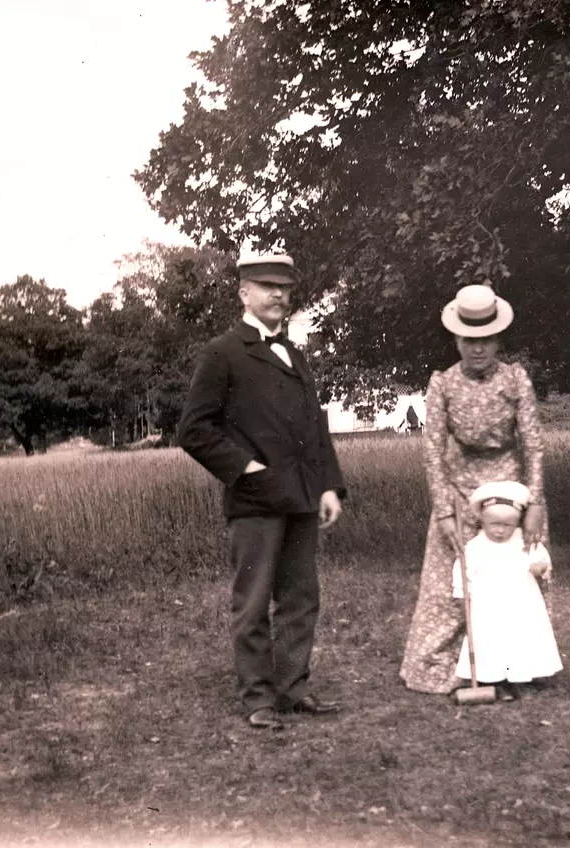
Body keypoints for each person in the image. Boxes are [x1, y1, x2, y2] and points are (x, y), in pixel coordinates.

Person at [177, 252, 347, 731]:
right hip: (253, 503)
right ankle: (258, 699)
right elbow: (194, 430)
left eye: (285, 288)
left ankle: (292, 690)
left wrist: (329, 486)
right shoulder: (223, 352)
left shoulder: (295, 355)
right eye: (267, 286)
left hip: (302, 499)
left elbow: (316, 428)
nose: (279, 295)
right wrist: (245, 467)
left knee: (300, 598)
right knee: (252, 603)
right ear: (243, 293)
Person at [400, 283, 548, 695]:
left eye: (485, 340)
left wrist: (533, 501)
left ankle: (516, 667)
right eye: (468, 340)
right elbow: (432, 452)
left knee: (514, 578)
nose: (477, 349)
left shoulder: (516, 380)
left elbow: (533, 442)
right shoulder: (442, 384)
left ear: (497, 340)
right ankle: (457, 667)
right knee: (454, 580)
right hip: (461, 486)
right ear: (457, 340)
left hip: (511, 489)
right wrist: (445, 510)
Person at [451, 481, 562, 701]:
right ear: (482, 521)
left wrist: (540, 567)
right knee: (489, 642)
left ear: (516, 523)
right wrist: (463, 593)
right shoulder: (475, 547)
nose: (500, 530)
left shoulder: (524, 541)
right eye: (494, 524)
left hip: (521, 603)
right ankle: (492, 681)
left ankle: (522, 679)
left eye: (507, 525)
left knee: (521, 639)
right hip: (487, 606)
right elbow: (462, 571)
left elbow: (541, 559)